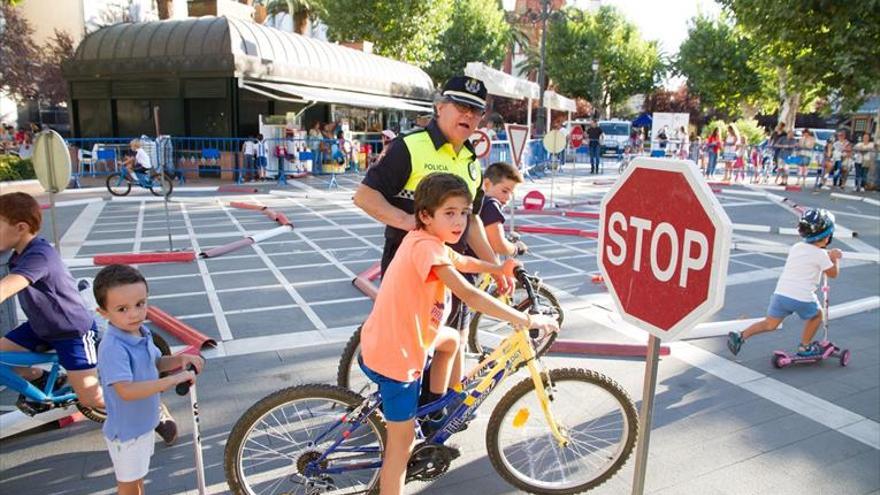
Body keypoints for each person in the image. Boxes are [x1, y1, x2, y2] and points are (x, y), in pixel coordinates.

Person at [359, 173, 559, 495]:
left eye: (464, 212)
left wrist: (498, 268)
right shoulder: (426, 248)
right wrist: (524, 319)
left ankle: (435, 409)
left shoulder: (430, 241)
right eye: (449, 213)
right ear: (425, 215)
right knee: (401, 447)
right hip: (396, 357)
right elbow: (471, 296)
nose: (459, 221)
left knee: (451, 340)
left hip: (400, 338)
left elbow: (462, 261)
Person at [0, 192, 181, 444]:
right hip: (41, 326)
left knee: (91, 398)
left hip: (71, 330)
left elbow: (6, 288)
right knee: (3, 358)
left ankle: (154, 408)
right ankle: (42, 378)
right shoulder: (18, 252)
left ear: (20, 228)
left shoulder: (38, 255)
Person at [94, 264, 203, 495]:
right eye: (122, 309)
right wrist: (172, 381)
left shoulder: (141, 334)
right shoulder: (113, 347)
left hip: (144, 425)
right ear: (103, 312)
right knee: (128, 487)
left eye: (140, 304)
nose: (134, 313)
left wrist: (180, 361)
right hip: (127, 433)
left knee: (137, 481)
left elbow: (155, 363)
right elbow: (126, 390)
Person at [727, 208, 841, 358]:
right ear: (827, 237)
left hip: (781, 295)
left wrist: (826, 255)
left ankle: (741, 336)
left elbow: (809, 256)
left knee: (770, 324)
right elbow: (833, 274)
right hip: (802, 297)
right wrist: (835, 258)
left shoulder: (796, 247)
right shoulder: (821, 255)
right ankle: (805, 347)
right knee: (816, 316)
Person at [475, 162, 528, 257]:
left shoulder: (477, 201)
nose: (508, 197)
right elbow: (498, 245)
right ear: (487, 184)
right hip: (481, 267)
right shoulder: (491, 205)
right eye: (504, 191)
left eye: (511, 193)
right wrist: (516, 248)